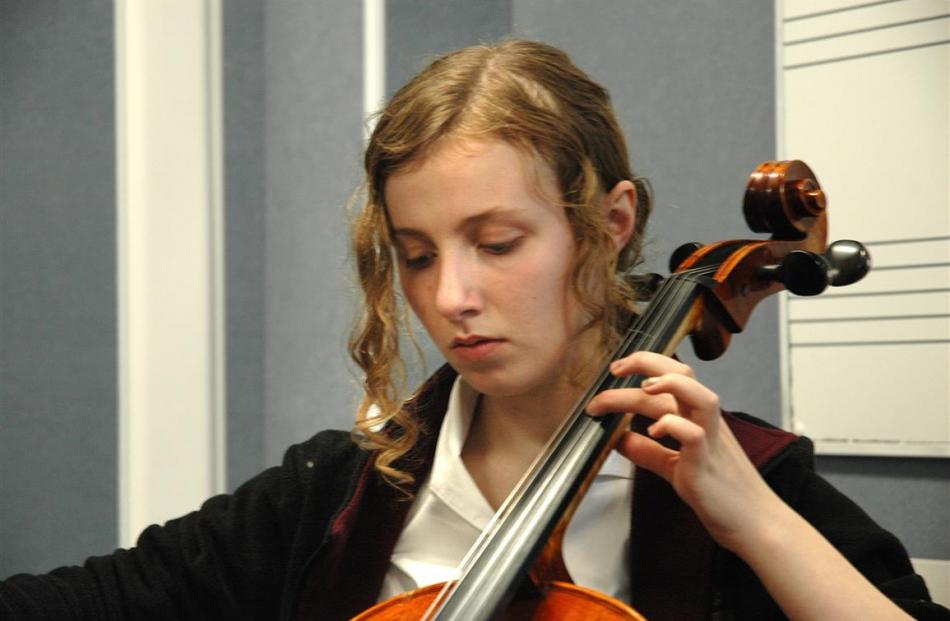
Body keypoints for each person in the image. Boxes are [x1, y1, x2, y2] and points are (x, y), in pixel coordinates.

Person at [1, 40, 946, 621]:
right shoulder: (336, 492)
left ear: (610, 225)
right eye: (415, 255)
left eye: (496, 243)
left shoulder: (747, 479)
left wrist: (756, 523)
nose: (451, 294)